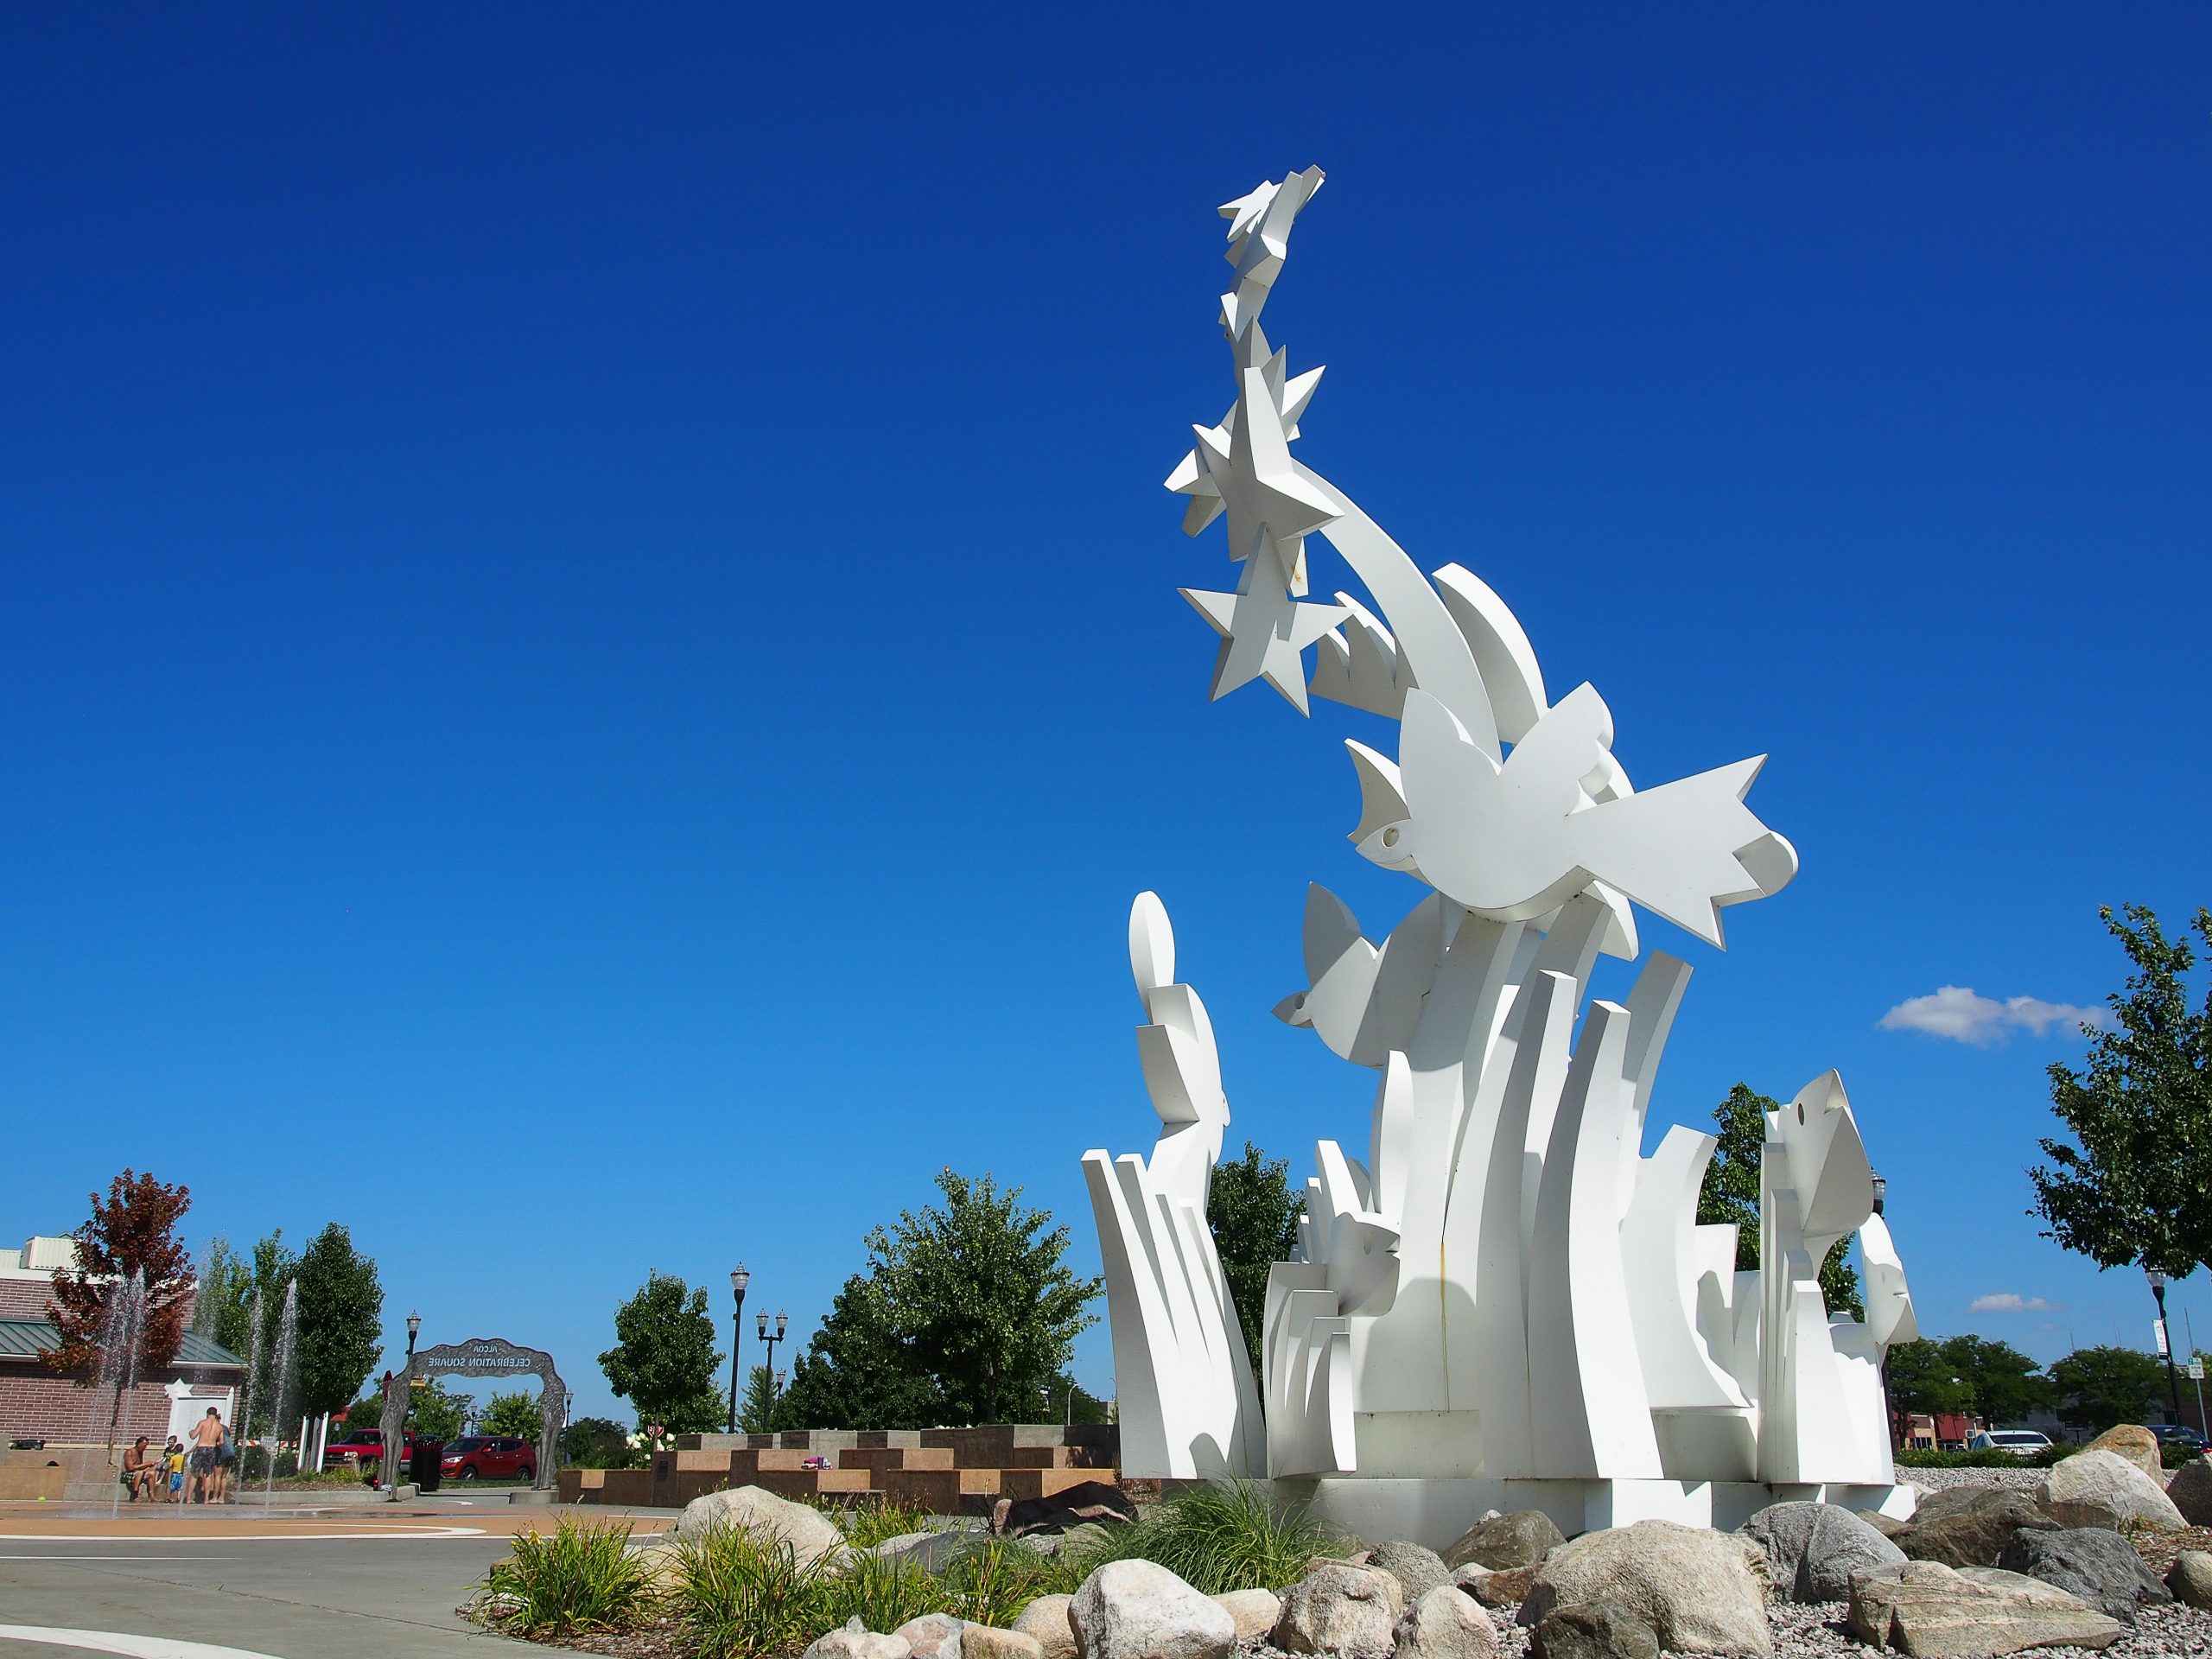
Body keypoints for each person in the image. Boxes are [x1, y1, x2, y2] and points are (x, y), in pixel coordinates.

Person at [188, 1407, 224, 1503]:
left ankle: (189, 1498)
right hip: (211, 1449)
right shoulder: (219, 1426)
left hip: (201, 1448)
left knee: (195, 1474)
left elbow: (193, 1436)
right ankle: (206, 1499)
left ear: (207, 1413)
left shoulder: (203, 1423)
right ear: (215, 1414)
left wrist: (190, 1432)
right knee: (208, 1474)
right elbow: (222, 1442)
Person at [120, 1435, 156, 1502]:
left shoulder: (140, 1453)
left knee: (152, 1473)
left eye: (146, 1446)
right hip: (126, 1475)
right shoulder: (129, 1452)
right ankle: (135, 1496)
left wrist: (148, 1465)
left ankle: (151, 1495)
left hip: (136, 1474)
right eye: (144, 1445)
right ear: (139, 1444)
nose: (145, 1448)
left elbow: (140, 1466)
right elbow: (130, 1467)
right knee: (139, 1473)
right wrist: (146, 1464)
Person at [163, 1437, 187, 1502]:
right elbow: (185, 1464)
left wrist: (167, 1468)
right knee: (179, 1487)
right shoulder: (183, 1457)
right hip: (180, 1474)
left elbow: (170, 1465)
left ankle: (171, 1498)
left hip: (174, 1473)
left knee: (173, 1486)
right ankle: (178, 1498)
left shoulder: (174, 1457)